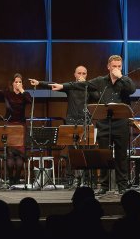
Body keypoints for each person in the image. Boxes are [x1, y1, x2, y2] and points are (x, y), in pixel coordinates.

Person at [53, 55, 135, 194]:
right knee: (103, 155)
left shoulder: (125, 81)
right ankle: (103, 185)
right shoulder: (100, 81)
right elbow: (82, 84)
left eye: (119, 66)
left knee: (121, 156)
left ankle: (122, 186)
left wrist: (121, 77)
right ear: (108, 67)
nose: (116, 69)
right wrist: (62, 86)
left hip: (120, 123)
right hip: (104, 123)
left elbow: (132, 89)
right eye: (114, 66)